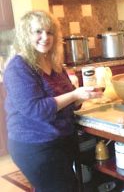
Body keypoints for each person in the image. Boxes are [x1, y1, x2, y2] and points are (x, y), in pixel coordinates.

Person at [3, 10, 103, 192]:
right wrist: (74, 95)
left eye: (49, 32)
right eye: (38, 32)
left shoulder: (54, 63)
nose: (45, 37)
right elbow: (36, 109)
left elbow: (67, 102)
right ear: (26, 34)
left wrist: (82, 95)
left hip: (60, 140)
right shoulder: (19, 67)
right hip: (35, 144)